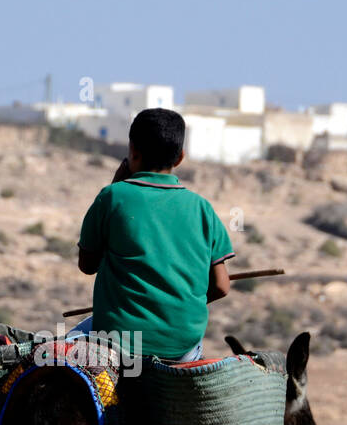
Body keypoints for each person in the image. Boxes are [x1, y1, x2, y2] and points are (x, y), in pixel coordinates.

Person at [71, 108, 234, 363]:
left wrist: (116, 186)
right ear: (180, 157)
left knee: (62, 344)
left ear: (132, 150)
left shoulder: (112, 197)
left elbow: (87, 265)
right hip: (183, 348)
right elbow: (222, 287)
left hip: (118, 344)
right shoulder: (202, 208)